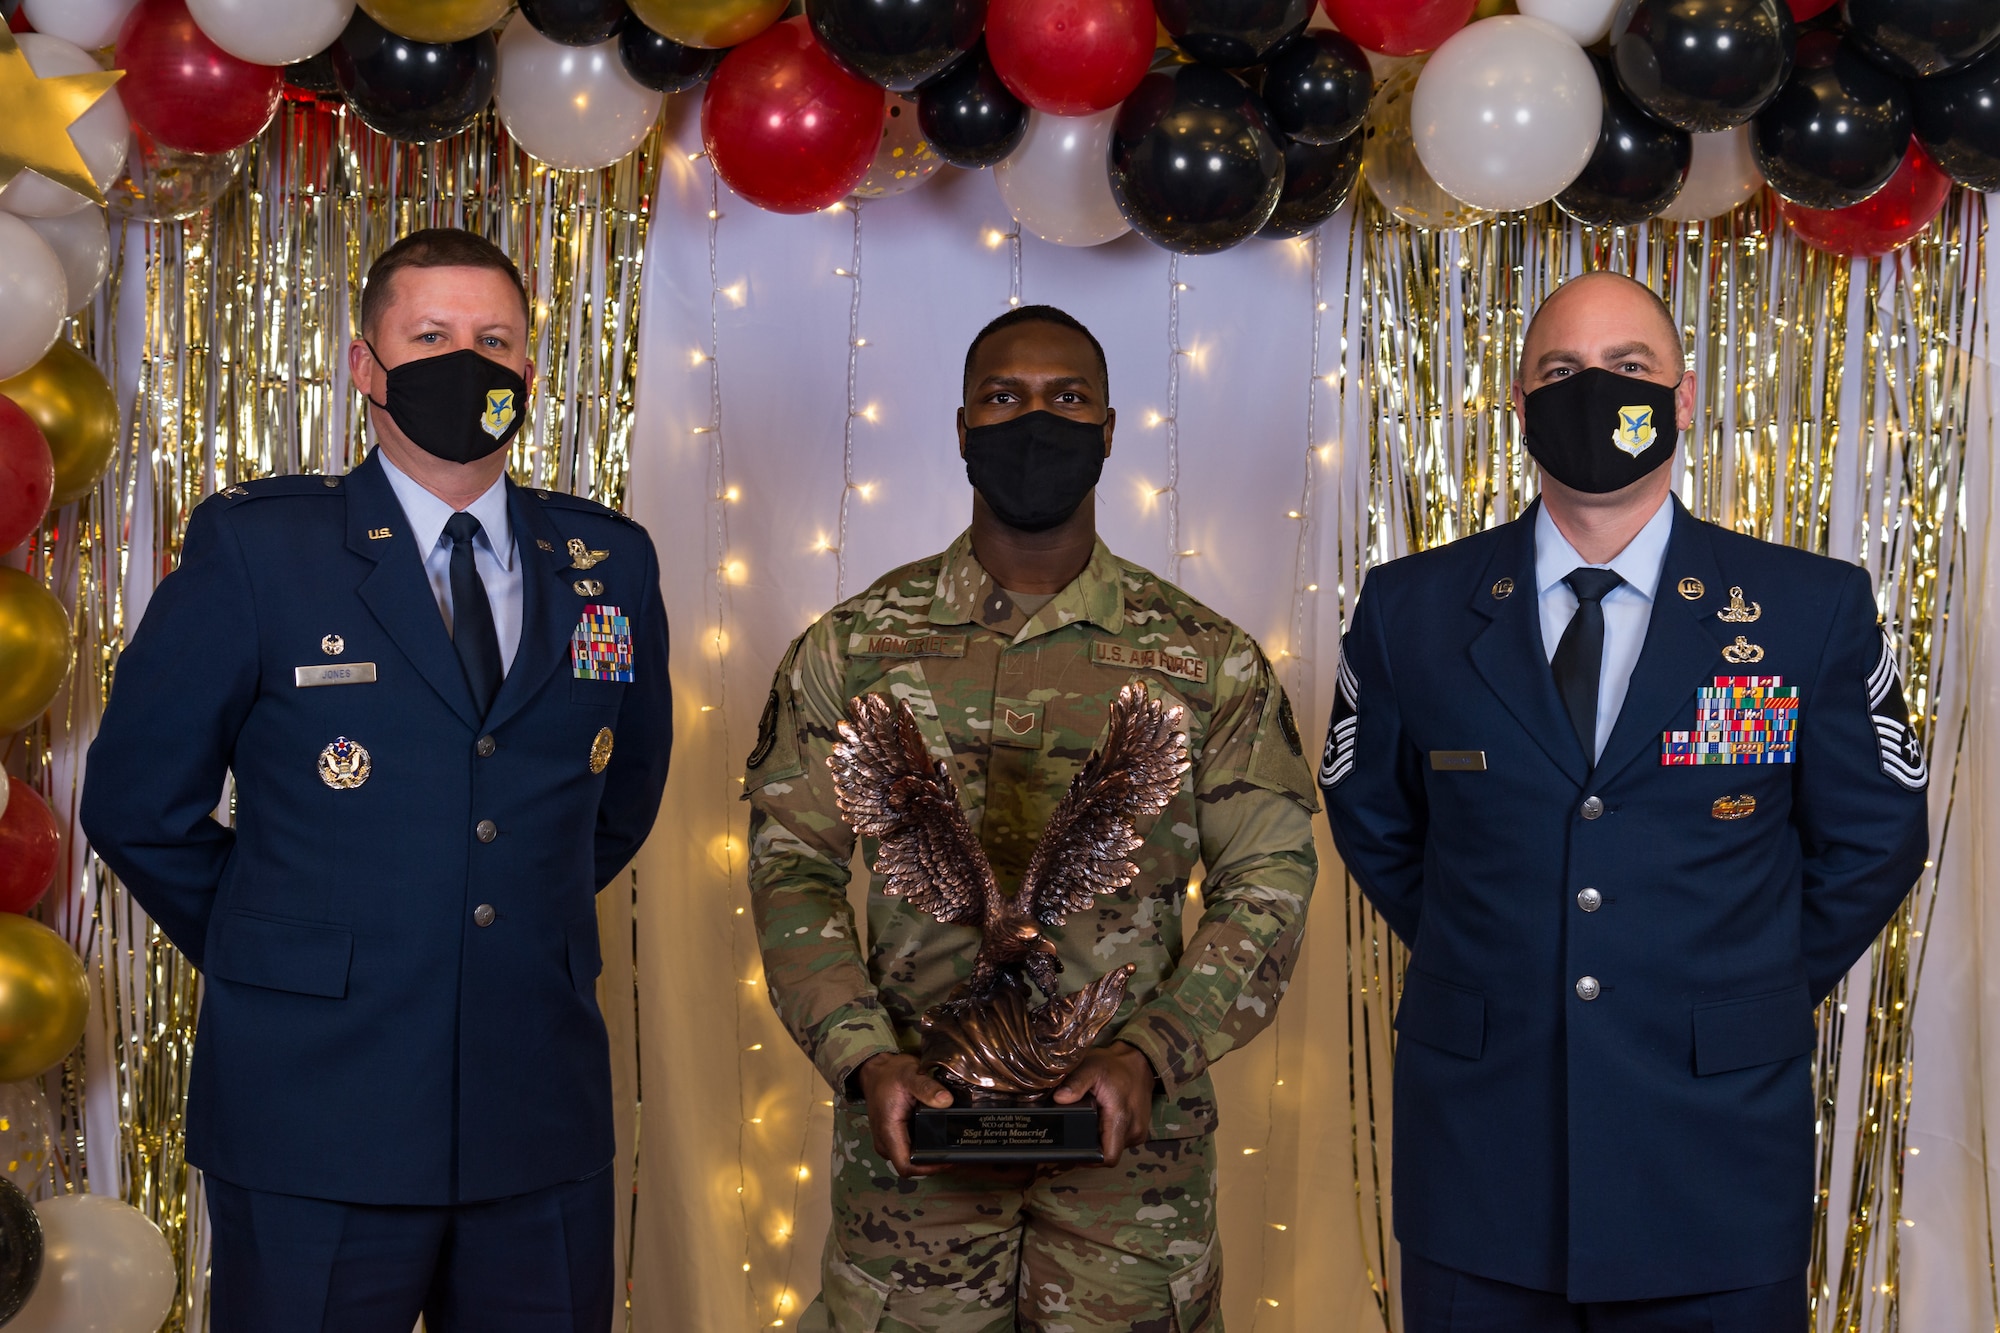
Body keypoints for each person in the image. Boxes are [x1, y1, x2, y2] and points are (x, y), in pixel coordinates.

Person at [80, 227, 673, 1331]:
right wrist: (288, 946)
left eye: (495, 339)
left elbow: (619, 796)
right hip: (315, 1106)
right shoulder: (262, 550)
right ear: (365, 365)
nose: (469, 361)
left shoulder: (609, 562)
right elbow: (135, 804)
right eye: (431, 335)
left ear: (531, 367)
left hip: (532, 1105)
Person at [1320, 271, 1930, 1331]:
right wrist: (1505, 947)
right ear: (1516, 402)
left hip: (1714, 1157)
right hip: (1481, 1160)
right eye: (1559, 372)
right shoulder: (1409, 607)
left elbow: (1874, 834)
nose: (1591, 392)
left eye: (1627, 369)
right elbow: (1371, 816)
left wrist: (1744, 979)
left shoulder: (1803, 608)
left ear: (1683, 400)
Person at [745, 305, 1319, 1331]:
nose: (1034, 421)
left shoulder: (1206, 661)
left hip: (1131, 1185)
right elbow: (792, 872)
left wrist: (1152, 1050)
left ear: (1108, 430)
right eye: (1004, 399)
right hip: (910, 1175)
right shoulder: (854, 649)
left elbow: (1266, 884)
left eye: (1066, 399)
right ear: (961, 427)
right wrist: (862, 1056)